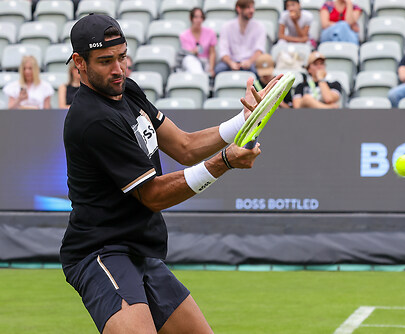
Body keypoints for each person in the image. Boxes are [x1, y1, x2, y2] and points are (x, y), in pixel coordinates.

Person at [60, 13, 281, 334]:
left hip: (139, 249)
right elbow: (153, 195)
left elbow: (185, 146)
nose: (119, 69)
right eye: (106, 61)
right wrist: (226, 162)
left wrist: (245, 120)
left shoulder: (127, 90)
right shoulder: (93, 119)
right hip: (100, 252)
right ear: (79, 62)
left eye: (122, 57)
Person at [214, 0, 266, 76]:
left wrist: (249, 61)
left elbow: (259, 50)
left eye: (252, 7)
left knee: (260, 72)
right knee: (219, 70)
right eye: (248, 8)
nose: (252, 10)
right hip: (231, 62)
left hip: (251, 62)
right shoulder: (227, 26)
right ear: (238, 9)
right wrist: (231, 63)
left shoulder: (259, 26)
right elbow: (223, 51)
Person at [179, 7, 217, 77]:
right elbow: (188, 53)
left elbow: (212, 52)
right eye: (196, 17)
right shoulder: (184, 35)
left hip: (205, 62)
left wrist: (211, 68)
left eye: (201, 17)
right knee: (190, 60)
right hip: (191, 60)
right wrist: (194, 51)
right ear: (191, 18)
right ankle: (201, 78)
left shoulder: (210, 32)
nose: (198, 20)